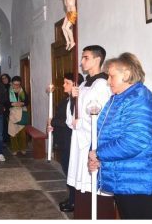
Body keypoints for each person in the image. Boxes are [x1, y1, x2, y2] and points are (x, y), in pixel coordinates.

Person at [88, 52, 152, 219]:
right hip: (127, 178)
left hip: (140, 180)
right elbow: (104, 132)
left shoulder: (139, 99)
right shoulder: (119, 99)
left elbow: (134, 141)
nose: (108, 81)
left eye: (111, 76)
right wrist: (95, 156)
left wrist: (98, 153)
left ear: (126, 75)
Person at [66, 45, 112, 218]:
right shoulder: (85, 83)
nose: (82, 61)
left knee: (93, 185)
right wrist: (72, 98)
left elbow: (101, 117)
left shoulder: (103, 85)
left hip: (92, 142)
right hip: (80, 141)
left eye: (86, 58)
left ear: (97, 59)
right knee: (82, 184)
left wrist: (80, 123)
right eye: (82, 57)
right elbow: (74, 115)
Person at [47, 72, 84, 212]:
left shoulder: (77, 101)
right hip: (63, 139)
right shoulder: (66, 100)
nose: (63, 85)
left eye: (67, 83)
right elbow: (60, 118)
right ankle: (72, 198)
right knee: (67, 170)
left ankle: (74, 201)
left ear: (75, 85)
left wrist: (53, 122)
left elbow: (70, 122)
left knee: (71, 171)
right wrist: (52, 126)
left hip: (70, 140)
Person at [8, 76, 29, 155]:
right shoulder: (8, 91)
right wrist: (12, 104)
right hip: (12, 113)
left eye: (18, 84)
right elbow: (5, 102)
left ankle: (22, 148)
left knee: (22, 133)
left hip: (22, 113)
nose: (16, 86)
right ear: (12, 83)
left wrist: (22, 103)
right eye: (15, 84)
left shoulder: (22, 91)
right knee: (13, 132)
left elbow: (27, 101)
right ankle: (15, 149)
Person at [0, 73, 11, 143]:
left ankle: (10, 138)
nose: (4, 79)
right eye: (3, 78)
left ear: (8, 78)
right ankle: (5, 139)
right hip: (3, 107)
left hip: (11, 107)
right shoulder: (0, 87)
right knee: (4, 124)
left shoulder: (11, 86)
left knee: (11, 124)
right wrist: (2, 106)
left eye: (5, 78)